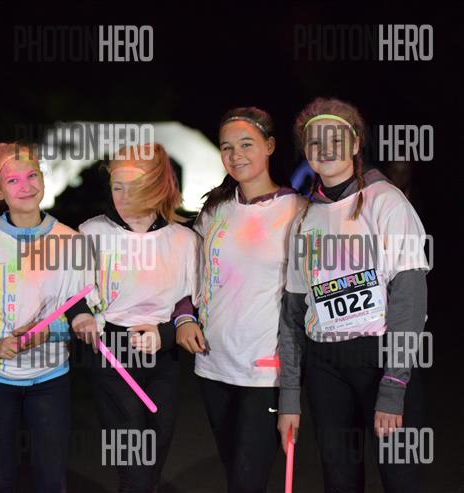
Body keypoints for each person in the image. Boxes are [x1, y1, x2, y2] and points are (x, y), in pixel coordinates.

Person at [277, 98, 429, 492]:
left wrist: (394, 385)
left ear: (356, 143)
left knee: (401, 479)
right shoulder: (305, 217)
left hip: (381, 358)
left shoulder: (386, 201)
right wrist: (290, 394)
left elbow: (410, 300)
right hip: (325, 364)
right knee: (339, 480)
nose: (325, 149)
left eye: (336, 139)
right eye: (315, 142)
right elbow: (293, 313)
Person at [0, 142, 98, 493]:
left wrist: (52, 331)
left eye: (32, 175)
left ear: (43, 179)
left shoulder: (71, 241)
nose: (26, 186)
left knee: (51, 480)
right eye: (13, 180)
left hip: (50, 378)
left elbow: (85, 308)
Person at [177, 107, 304, 492]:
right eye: (227, 147)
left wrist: (294, 389)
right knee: (235, 473)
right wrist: (185, 316)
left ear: (270, 146)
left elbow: (305, 302)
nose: (236, 155)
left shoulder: (298, 211)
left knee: (247, 481)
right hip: (213, 365)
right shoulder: (215, 210)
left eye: (247, 144)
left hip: (264, 370)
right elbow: (187, 274)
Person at [80, 142, 201, 493]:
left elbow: (191, 302)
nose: (124, 197)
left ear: (158, 187)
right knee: (132, 456)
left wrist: (167, 333)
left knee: (156, 450)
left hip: (164, 356)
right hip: (112, 352)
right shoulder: (91, 233)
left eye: (135, 187)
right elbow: (76, 295)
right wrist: (83, 317)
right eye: (117, 187)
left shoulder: (183, 240)